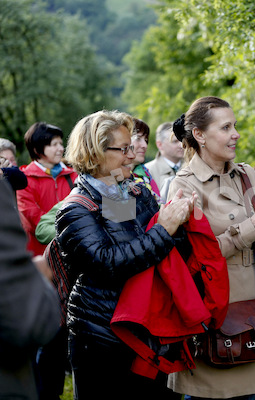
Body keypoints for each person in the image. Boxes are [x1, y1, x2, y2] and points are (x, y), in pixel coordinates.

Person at [55, 109, 195, 400]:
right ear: (94, 154)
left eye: (132, 147)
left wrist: (179, 223)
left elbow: (155, 251)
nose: (133, 155)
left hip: (146, 330)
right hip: (101, 338)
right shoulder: (75, 209)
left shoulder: (130, 193)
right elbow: (109, 264)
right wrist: (164, 230)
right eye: (124, 149)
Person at [166, 96, 255, 400]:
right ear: (199, 135)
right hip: (214, 316)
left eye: (234, 125)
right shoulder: (184, 186)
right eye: (225, 127)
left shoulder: (247, 174)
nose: (235, 133)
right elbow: (196, 257)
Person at [0, 178, 61, 400]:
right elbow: (42, 228)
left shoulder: (130, 188)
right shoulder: (81, 197)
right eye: (124, 148)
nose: (131, 153)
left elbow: (125, 231)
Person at [16, 123, 77, 257]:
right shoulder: (24, 180)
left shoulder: (74, 175)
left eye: (61, 144)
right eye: (54, 144)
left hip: (72, 253)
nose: (61, 149)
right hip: (41, 254)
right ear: (37, 148)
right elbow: (35, 221)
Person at [145, 121, 184, 191]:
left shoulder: (192, 167)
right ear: (160, 145)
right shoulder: (148, 172)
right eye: (175, 141)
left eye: (181, 140)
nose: (181, 145)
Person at [129, 118, 161, 201]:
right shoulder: (114, 176)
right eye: (138, 139)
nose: (145, 145)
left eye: (146, 140)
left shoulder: (146, 175)